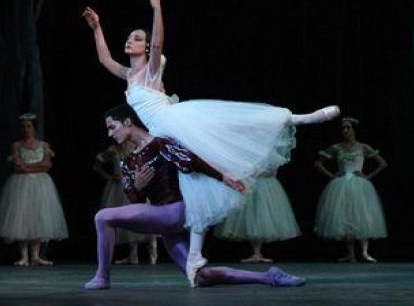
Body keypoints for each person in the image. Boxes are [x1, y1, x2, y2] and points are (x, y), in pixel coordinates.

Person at [83, 0, 339, 284]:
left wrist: (157, 8)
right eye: (128, 37)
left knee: (231, 125)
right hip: (163, 130)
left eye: (136, 38)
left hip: (173, 120)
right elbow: (104, 60)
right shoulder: (128, 76)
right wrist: (97, 28)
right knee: (195, 183)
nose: (129, 40)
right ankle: (197, 255)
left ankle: (297, 118)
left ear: (146, 46)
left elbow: (160, 44)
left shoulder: (151, 71)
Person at [84, 104, 306, 290]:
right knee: (200, 277)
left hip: (174, 212)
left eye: (112, 127)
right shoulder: (128, 161)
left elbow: (192, 161)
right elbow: (136, 202)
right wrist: (140, 186)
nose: (110, 134)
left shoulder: (160, 144)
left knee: (103, 217)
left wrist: (224, 178)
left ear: (128, 122)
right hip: (163, 222)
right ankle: (269, 277)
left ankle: (102, 277)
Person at [0, 113, 68, 266]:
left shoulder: (44, 145)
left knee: (39, 216)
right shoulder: (17, 146)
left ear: (34, 127)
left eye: (29, 126)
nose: (26, 129)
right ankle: (24, 256)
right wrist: (35, 166)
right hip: (21, 184)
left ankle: (36, 256)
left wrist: (29, 167)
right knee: (22, 217)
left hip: (41, 184)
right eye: (23, 127)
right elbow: (17, 166)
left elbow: (46, 165)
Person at [313, 117, 388, 263]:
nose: (345, 131)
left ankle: (365, 252)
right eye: (343, 128)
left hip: (360, 185)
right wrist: (332, 175)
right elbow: (318, 163)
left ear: (354, 130)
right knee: (345, 217)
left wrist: (368, 176)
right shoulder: (336, 147)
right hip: (341, 184)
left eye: (348, 128)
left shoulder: (363, 147)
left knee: (363, 216)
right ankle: (350, 254)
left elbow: (383, 163)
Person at [213, 171, 301, 263]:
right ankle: (256, 252)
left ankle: (257, 252)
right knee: (252, 216)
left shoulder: (271, 157)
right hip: (250, 184)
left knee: (261, 215)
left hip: (264, 185)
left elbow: (274, 170)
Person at [94, 142, 159, 265]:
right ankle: (133, 255)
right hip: (119, 187)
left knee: (145, 217)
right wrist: (109, 176)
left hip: (137, 183)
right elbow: (97, 164)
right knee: (129, 218)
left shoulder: (137, 145)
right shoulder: (113, 149)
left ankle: (153, 253)